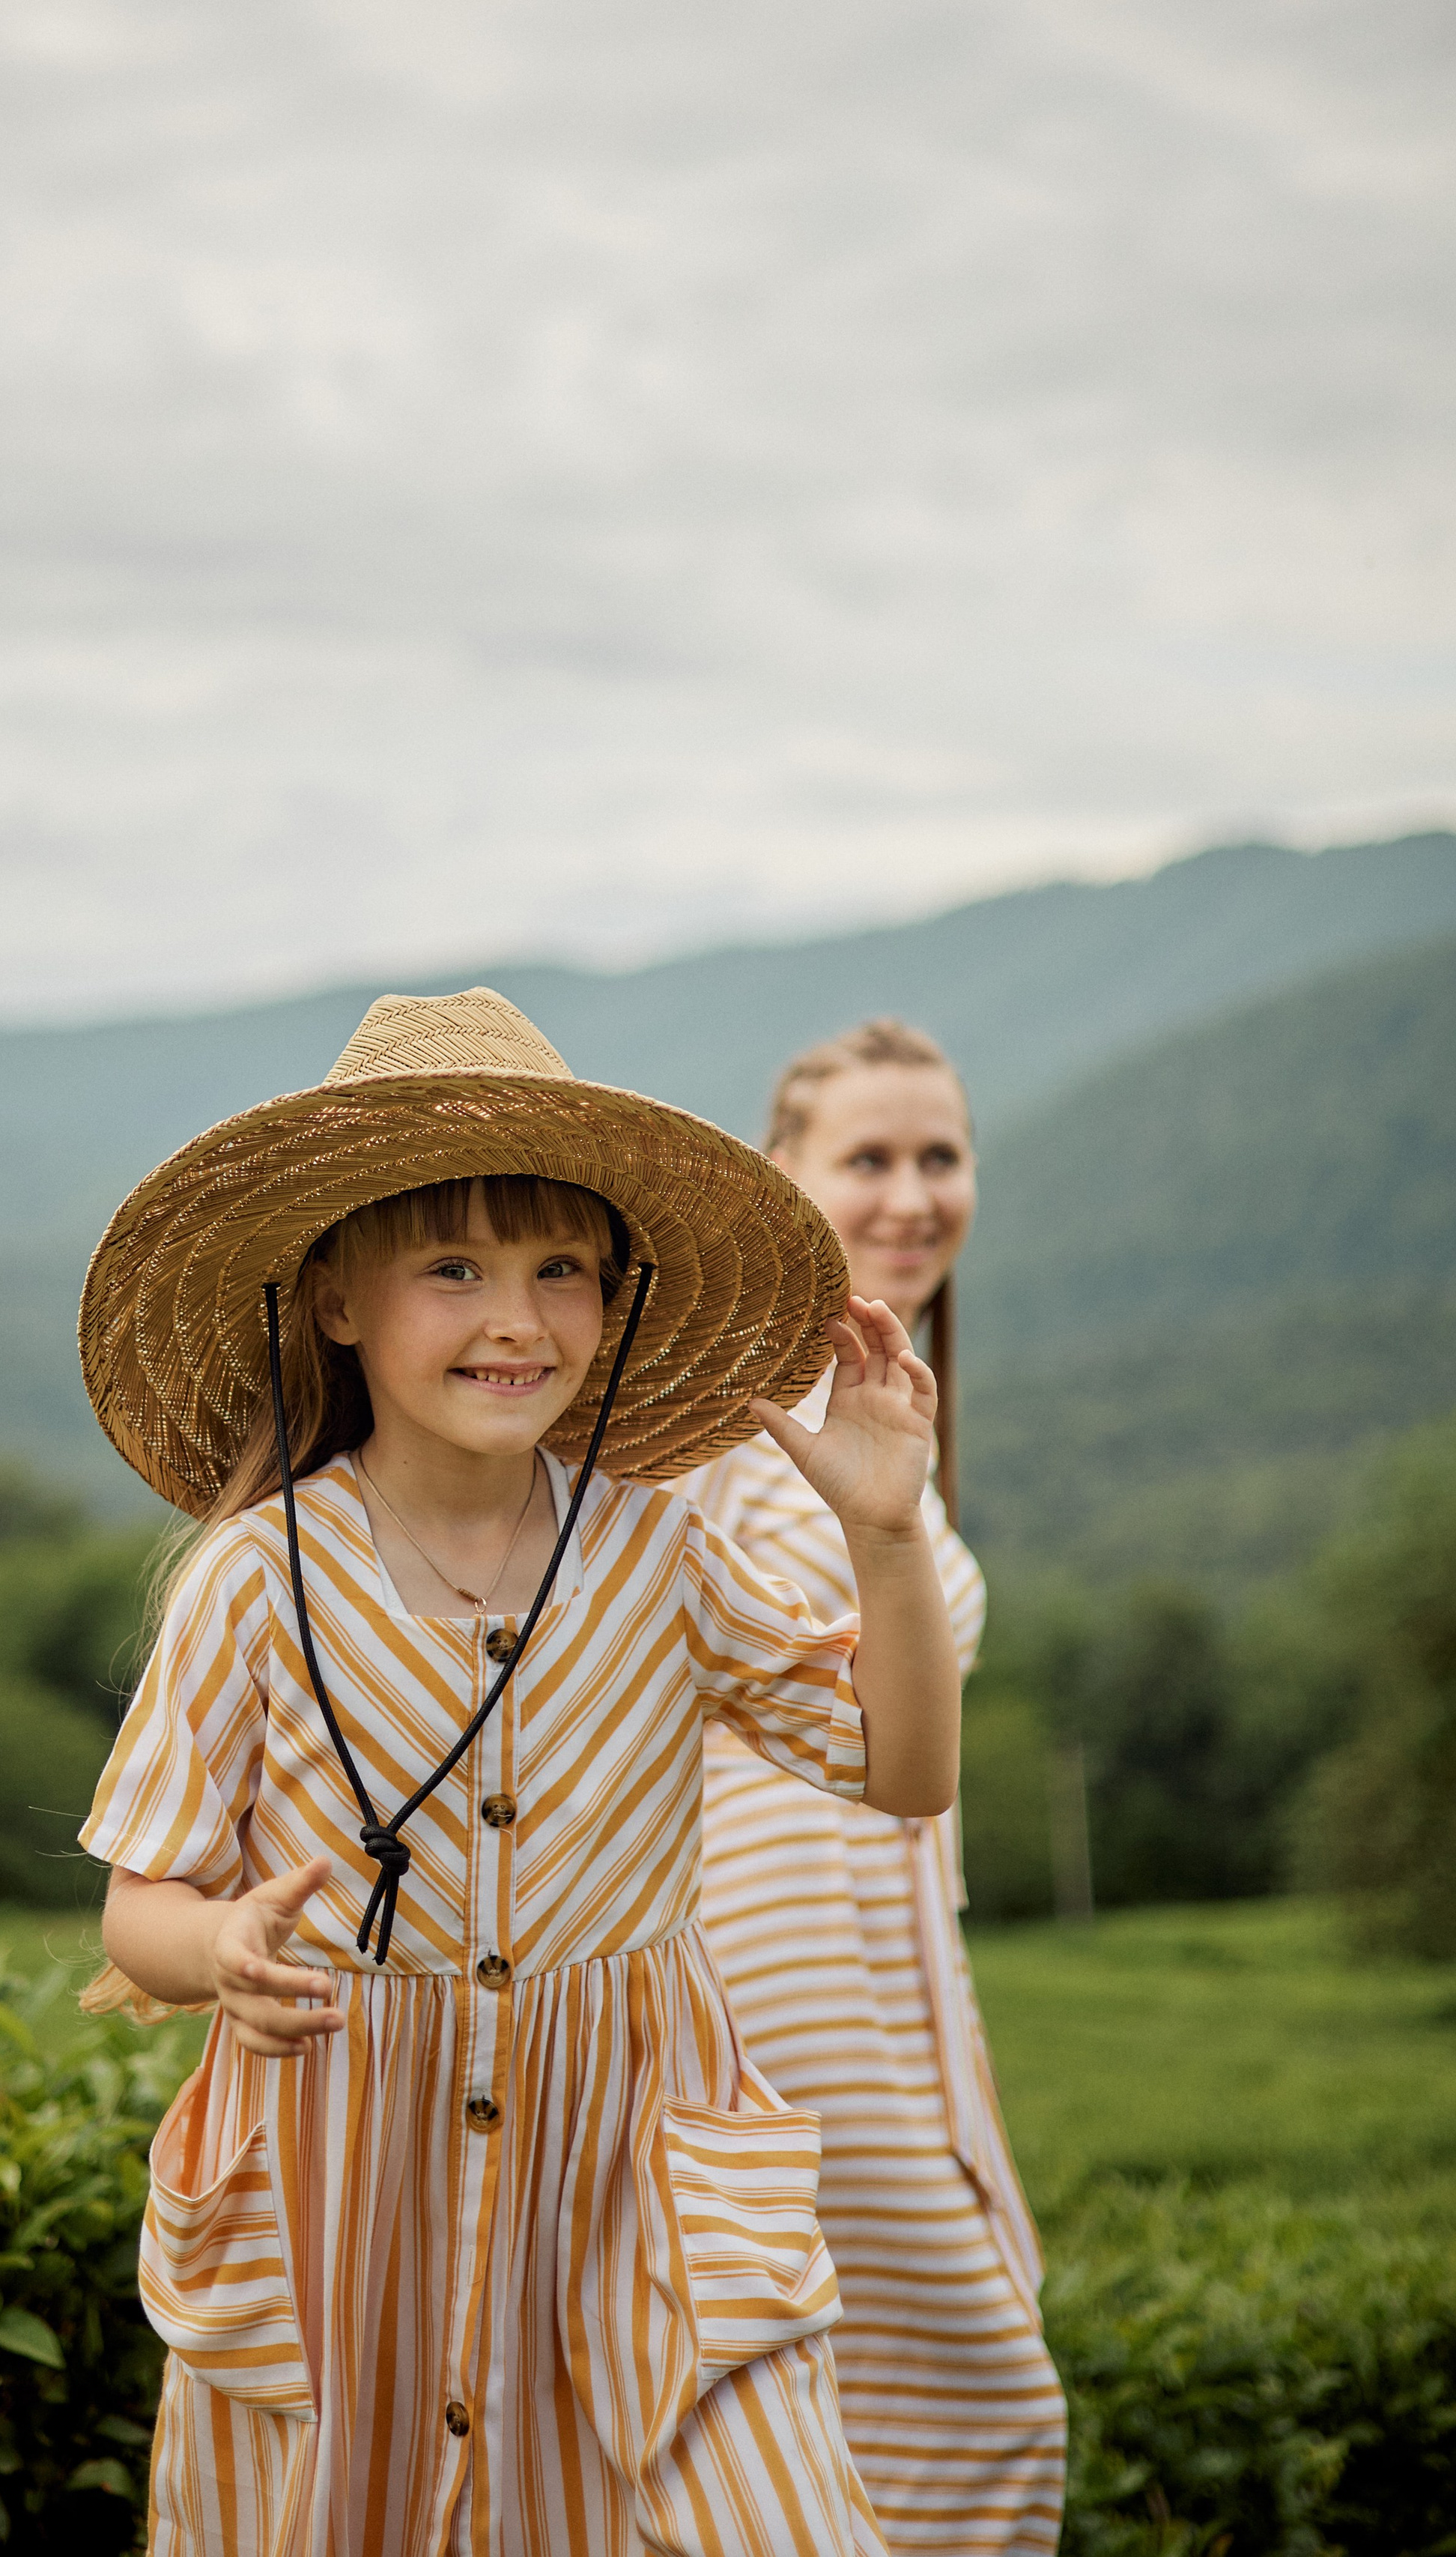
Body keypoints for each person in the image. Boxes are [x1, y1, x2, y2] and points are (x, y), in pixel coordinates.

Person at [73, 987, 965, 2557]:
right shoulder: (252, 1582)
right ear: (338, 1297)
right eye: (455, 1267)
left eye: (562, 1269)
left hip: (638, 2190)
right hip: (342, 2192)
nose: (518, 1318)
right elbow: (138, 1905)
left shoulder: (656, 1548)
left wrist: (882, 1533)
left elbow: (901, 1775)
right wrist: (217, 1947)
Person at [689, 1020, 1067, 2557]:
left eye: (937, 1156)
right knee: (967, 2402)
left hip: (893, 1953)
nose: (910, 1196)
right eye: (866, 1159)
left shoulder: (876, 1396)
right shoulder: (713, 1412)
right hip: (776, 1970)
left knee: (914, 2404)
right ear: (781, 1177)